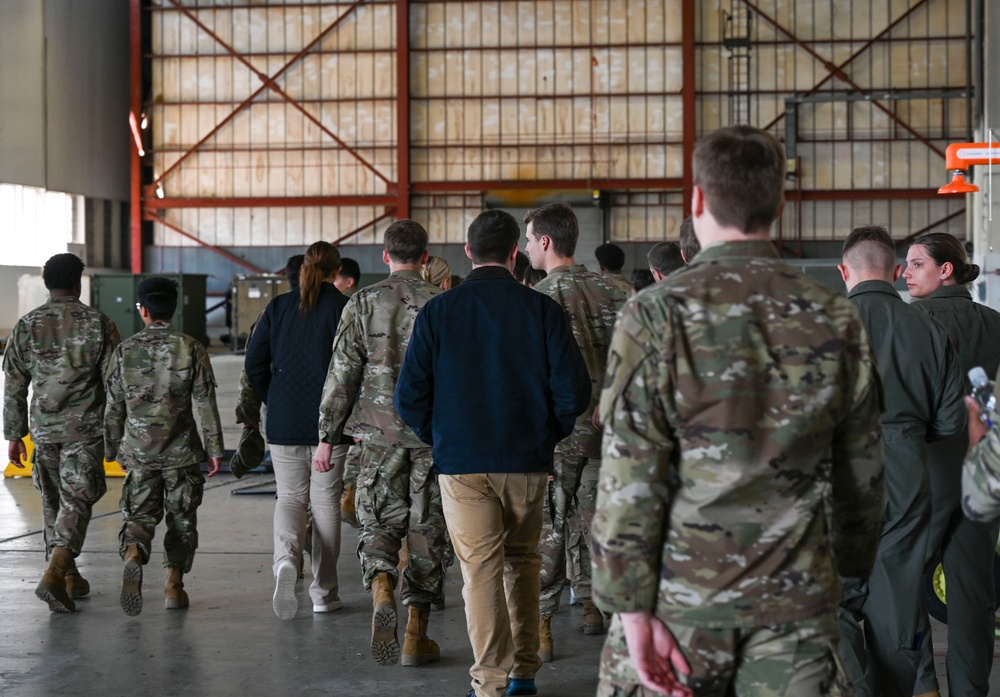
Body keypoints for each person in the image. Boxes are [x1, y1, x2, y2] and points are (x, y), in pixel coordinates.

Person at [592, 125, 884, 697]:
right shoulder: (834, 314)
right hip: (794, 606)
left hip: (680, 606)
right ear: (778, 205)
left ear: (698, 199)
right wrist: (848, 565)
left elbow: (630, 475)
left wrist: (630, 610)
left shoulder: (654, 314)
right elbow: (862, 473)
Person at [394, 208, 590, 697]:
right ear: (513, 253)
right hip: (525, 460)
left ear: (466, 251)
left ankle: (489, 683)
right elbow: (573, 392)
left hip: (461, 462)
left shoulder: (438, 312)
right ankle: (524, 671)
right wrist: (546, 436)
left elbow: (408, 396)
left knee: (479, 570)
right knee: (522, 561)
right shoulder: (542, 310)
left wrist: (439, 435)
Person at [835, 226, 965, 697]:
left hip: (839, 473)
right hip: (908, 475)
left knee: (834, 599)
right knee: (897, 599)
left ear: (843, 271)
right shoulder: (930, 327)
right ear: (894, 272)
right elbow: (950, 422)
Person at [315, 220, 447, 667]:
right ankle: (415, 635)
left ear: (385, 256)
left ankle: (382, 590)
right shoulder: (443, 302)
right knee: (426, 529)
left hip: (375, 435)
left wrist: (326, 437)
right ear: (425, 257)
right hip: (432, 437)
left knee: (377, 521)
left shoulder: (362, 301)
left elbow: (341, 376)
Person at [523, 202, 628, 658]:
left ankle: (541, 628)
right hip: (611, 435)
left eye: (528, 240)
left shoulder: (536, 300)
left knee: (548, 528)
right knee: (603, 526)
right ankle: (604, 615)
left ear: (545, 242)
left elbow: (528, 378)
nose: (526, 247)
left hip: (557, 438)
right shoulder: (618, 291)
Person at [904, 232, 1000, 697]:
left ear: (945, 270)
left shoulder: (910, 320)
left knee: (901, 586)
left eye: (916, 264)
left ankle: (923, 686)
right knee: (973, 597)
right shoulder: (995, 323)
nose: (905, 273)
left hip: (926, 475)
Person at [3, 253, 121, 613]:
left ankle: (69, 578)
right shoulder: (98, 323)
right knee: (78, 499)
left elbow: (13, 384)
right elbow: (116, 384)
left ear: (46, 283)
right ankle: (54, 574)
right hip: (84, 429)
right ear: (79, 282)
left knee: (53, 501)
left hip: (43, 430)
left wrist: (13, 434)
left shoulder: (26, 324)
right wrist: (117, 433)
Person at [105, 277, 224, 616]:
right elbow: (205, 403)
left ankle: (133, 554)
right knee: (182, 520)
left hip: (139, 453)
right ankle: (173, 585)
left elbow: (113, 408)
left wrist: (113, 449)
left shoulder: (125, 350)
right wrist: (215, 448)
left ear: (143, 310)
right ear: (173, 308)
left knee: (139, 515)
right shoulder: (191, 348)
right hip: (182, 453)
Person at [245, 241, 352, 619]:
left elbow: (254, 363)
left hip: (285, 419)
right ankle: (323, 593)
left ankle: (285, 562)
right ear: (336, 272)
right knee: (325, 506)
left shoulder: (277, 307)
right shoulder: (343, 307)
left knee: (289, 497)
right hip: (331, 425)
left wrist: (274, 398)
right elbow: (353, 369)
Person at [233, 254, 304, 477]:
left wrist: (250, 414)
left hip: (279, 411)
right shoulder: (333, 309)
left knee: (288, 487)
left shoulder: (272, 311)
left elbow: (252, 368)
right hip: (322, 414)